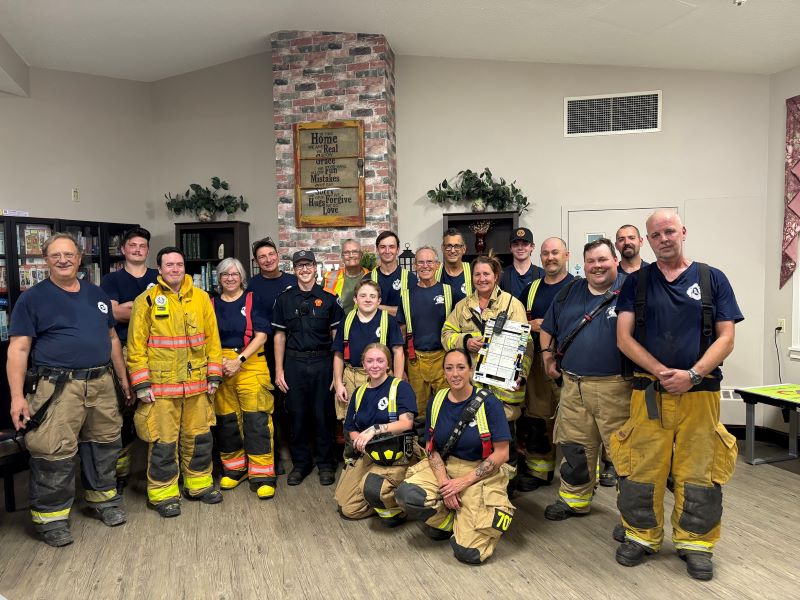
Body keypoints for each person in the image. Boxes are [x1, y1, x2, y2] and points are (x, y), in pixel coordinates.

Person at [613, 210, 742, 581]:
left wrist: (692, 374)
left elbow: (726, 337)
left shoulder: (712, 279)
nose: (663, 239)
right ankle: (641, 535)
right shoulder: (636, 282)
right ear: (648, 241)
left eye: (669, 231)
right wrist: (660, 372)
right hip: (649, 392)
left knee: (699, 468)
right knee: (642, 466)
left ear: (683, 232)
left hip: (700, 393)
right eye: (656, 235)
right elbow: (624, 338)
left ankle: (696, 543)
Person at [7, 232, 130, 546]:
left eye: (69, 255)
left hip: (101, 383)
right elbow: (19, 349)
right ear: (46, 260)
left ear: (79, 258)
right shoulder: (32, 299)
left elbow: (112, 340)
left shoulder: (96, 294)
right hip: (57, 387)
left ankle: (103, 500)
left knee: (104, 444)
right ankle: (50, 519)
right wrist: (17, 397)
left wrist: (123, 380)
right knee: (53, 450)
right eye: (56, 255)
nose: (63, 260)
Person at [127, 246, 224, 517]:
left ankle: (199, 485)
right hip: (160, 388)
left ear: (184, 267)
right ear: (159, 269)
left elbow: (213, 341)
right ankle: (163, 493)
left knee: (200, 438)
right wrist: (141, 384)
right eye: (169, 265)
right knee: (163, 443)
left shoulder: (201, 299)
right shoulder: (146, 300)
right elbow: (135, 346)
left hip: (197, 385)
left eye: (179, 264)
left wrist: (214, 375)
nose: (175, 269)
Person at [538, 238, 630, 520]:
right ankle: (574, 500)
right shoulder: (569, 292)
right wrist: (547, 357)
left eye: (603, 260)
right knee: (574, 448)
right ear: (584, 264)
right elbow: (548, 327)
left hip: (617, 388)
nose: (597, 266)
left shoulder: (632, 290)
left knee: (626, 454)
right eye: (591, 261)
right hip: (573, 386)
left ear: (615, 261)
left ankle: (633, 519)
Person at [395, 349, 514, 565]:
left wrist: (462, 483)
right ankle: (450, 520)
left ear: (471, 370)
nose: (455, 374)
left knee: (468, 553)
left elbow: (502, 453)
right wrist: (445, 485)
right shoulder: (437, 401)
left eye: (461, 367)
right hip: (446, 466)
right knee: (407, 495)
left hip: (480, 473)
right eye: (449, 368)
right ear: (444, 372)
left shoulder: (490, 403)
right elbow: (431, 448)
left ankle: (466, 521)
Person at [441, 254, 532, 491]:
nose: (482, 279)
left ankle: (506, 489)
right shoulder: (462, 307)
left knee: (504, 438)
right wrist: (466, 341)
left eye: (486, 274)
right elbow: (446, 336)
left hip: (502, 389)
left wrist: (521, 374)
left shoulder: (512, 305)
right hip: (471, 388)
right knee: (476, 437)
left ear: (496, 276)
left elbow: (526, 344)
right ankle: (478, 486)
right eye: (477, 274)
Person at [272, 250, 344, 486]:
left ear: (315, 268)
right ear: (294, 270)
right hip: (294, 363)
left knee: (324, 414)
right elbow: (279, 336)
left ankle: (326, 463)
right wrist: (279, 370)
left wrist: (337, 373)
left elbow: (336, 337)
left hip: (323, 362)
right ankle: (301, 463)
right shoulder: (284, 299)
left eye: (308, 265)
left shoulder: (329, 298)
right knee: (297, 415)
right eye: (299, 266)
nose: (304, 270)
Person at [100, 226, 159, 491]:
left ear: (148, 250)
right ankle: (120, 470)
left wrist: (129, 307)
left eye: (142, 246)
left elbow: (170, 312)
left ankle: (157, 468)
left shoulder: (159, 276)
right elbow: (112, 314)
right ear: (123, 249)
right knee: (123, 407)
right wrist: (147, 308)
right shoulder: (111, 280)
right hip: (122, 350)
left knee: (155, 406)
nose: (137, 249)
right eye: (132, 245)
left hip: (157, 351)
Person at [212, 258, 276, 499]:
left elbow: (262, 336)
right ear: (219, 279)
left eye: (234, 274)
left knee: (256, 421)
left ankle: (262, 474)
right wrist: (220, 362)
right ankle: (235, 469)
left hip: (250, 363)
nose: (230, 278)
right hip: (221, 365)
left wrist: (238, 360)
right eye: (225, 274)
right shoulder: (210, 303)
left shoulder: (253, 299)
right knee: (227, 421)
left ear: (242, 277)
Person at [335, 343, 417, 526]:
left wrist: (375, 429)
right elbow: (351, 428)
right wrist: (360, 442)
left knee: (373, 487)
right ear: (363, 365)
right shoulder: (359, 392)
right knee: (347, 507)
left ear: (388, 364)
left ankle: (398, 506)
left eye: (380, 360)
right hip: (369, 453)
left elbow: (406, 423)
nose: (374, 365)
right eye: (369, 361)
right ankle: (376, 495)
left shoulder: (400, 387)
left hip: (397, 454)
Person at [516, 237, 573, 492]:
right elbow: (516, 322)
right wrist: (529, 325)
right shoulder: (531, 289)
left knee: (575, 422)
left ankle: (578, 480)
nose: (550, 257)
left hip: (570, 364)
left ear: (566, 255)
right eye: (545, 253)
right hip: (538, 362)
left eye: (555, 252)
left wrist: (549, 327)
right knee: (538, 418)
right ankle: (540, 471)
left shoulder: (578, 287)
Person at [246, 237, 296, 473]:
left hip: (293, 349)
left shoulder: (293, 281)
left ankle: (295, 450)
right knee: (270, 404)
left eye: (270, 254)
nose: (267, 260)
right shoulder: (252, 286)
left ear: (278, 255)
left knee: (291, 402)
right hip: (264, 351)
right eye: (262, 257)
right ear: (256, 262)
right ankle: (273, 453)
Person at [333, 280, 404, 421]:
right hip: (352, 376)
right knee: (351, 419)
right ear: (355, 299)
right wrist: (338, 383)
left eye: (372, 296)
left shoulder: (388, 321)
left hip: (382, 377)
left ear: (379, 301)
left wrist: (396, 383)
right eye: (363, 295)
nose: (368, 299)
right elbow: (338, 354)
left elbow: (398, 353)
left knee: (381, 417)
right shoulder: (346, 321)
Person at [396, 246, 452, 416]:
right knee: (418, 411)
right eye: (421, 262)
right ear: (415, 265)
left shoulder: (449, 292)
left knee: (446, 407)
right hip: (415, 360)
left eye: (429, 262)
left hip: (444, 358)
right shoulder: (406, 295)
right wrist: (401, 368)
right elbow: (401, 333)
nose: (425, 266)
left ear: (437, 265)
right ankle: (421, 434)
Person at [365, 230, 417, 316]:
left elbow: (413, 310)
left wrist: (376, 307)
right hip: (374, 325)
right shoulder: (367, 279)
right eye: (383, 247)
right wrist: (396, 310)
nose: (387, 251)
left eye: (391, 247)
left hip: (401, 325)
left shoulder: (410, 278)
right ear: (377, 250)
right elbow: (362, 309)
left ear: (397, 250)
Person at [323, 238, 368, 314]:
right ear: (342, 257)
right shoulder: (329, 277)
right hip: (336, 321)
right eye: (346, 253)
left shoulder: (371, 277)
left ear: (361, 255)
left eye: (355, 252)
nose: (351, 255)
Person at [499, 227, 544, 298]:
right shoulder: (501, 275)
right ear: (510, 248)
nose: (520, 248)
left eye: (525, 244)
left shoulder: (542, 275)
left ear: (532, 247)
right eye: (516, 244)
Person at [437, 228, 472, 304]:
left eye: (457, 246)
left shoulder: (473, 272)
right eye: (448, 246)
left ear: (464, 249)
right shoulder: (434, 273)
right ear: (442, 248)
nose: (452, 251)